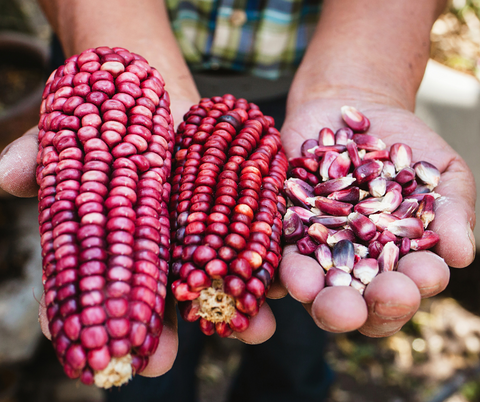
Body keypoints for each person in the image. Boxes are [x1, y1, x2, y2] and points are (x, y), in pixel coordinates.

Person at [0, 0, 475, 400]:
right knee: (149, 384)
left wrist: (371, 74)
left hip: (303, 91)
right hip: (116, 35)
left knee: (296, 338)